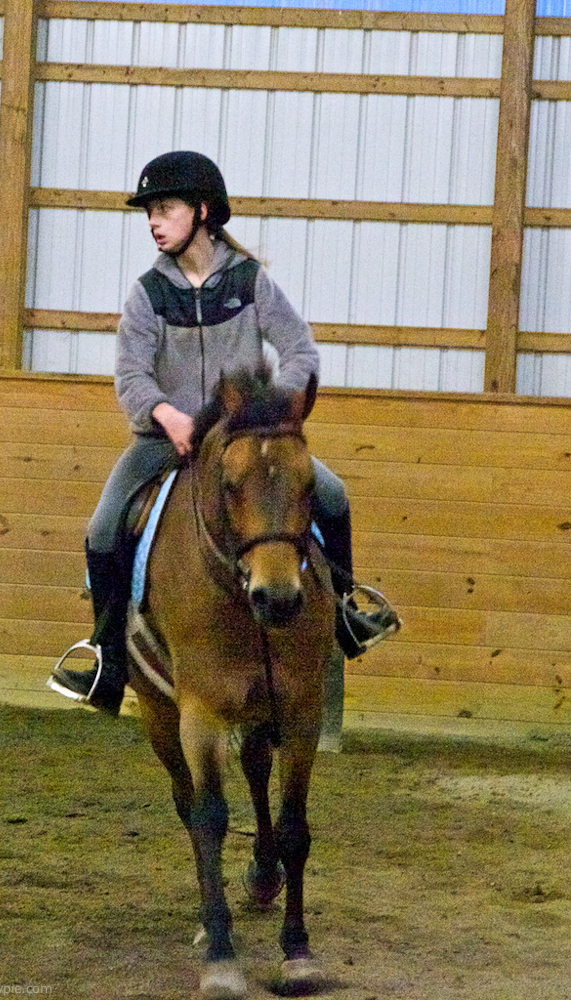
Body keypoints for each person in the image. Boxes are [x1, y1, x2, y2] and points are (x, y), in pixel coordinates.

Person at [48, 150, 400, 716]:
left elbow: (300, 351)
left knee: (332, 494)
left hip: (245, 438)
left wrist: (274, 411)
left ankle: (346, 612)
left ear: (202, 211)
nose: (154, 221)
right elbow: (131, 375)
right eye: (149, 212)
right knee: (102, 527)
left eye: (165, 208)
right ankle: (107, 657)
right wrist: (166, 414)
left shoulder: (250, 281)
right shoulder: (147, 294)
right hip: (164, 443)